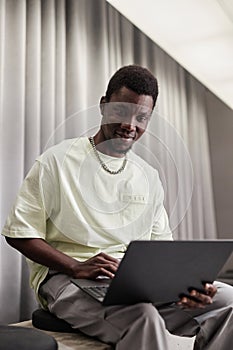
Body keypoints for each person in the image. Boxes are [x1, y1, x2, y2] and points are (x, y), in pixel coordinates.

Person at [2, 65, 233, 349]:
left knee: (228, 302)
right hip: (65, 279)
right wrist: (75, 266)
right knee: (142, 316)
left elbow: (161, 249)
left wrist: (184, 285)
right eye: (122, 111)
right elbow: (18, 232)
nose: (130, 125)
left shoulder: (148, 176)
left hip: (132, 281)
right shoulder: (56, 161)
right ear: (103, 106)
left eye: (142, 117)